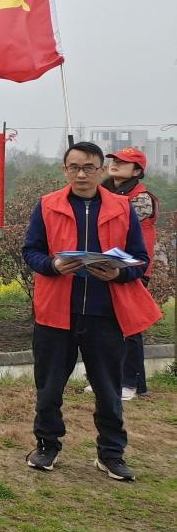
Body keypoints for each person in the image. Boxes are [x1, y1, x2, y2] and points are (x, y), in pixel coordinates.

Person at [22, 141, 159, 481]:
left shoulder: (122, 208)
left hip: (105, 313)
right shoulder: (47, 205)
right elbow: (31, 251)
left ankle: (111, 453)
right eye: (74, 167)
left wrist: (119, 272)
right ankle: (47, 445)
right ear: (64, 169)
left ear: (101, 170)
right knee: (50, 387)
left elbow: (140, 259)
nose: (81, 174)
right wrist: (53, 264)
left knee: (108, 389)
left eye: (88, 167)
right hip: (56, 312)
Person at [102, 147, 159, 401]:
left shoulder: (142, 198)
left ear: (137, 171)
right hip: (108, 265)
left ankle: (130, 383)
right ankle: (114, 380)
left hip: (132, 269)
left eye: (124, 162)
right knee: (107, 325)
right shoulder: (105, 190)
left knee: (130, 326)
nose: (115, 164)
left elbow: (115, 221)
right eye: (114, 159)